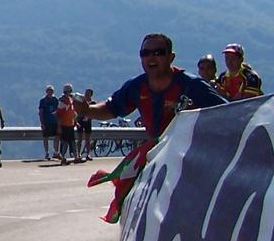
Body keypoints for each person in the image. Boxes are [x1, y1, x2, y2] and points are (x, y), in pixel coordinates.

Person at [76, 33, 226, 141]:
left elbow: (228, 113)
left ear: (171, 57)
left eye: (158, 53)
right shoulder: (136, 86)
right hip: (156, 153)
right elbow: (111, 108)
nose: (151, 57)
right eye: (145, 53)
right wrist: (87, 110)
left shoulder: (192, 85)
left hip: (190, 155)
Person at [56, 84, 79, 164]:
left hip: (70, 124)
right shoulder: (62, 101)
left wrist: (75, 121)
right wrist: (59, 126)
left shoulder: (70, 100)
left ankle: (76, 157)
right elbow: (58, 114)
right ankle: (63, 157)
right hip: (64, 124)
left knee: (72, 141)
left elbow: (72, 113)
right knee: (65, 142)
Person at [37, 85, 58, 160]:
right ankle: (47, 153)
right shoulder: (43, 100)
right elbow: (41, 112)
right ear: (46, 92)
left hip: (54, 121)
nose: (50, 92)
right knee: (46, 137)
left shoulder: (55, 100)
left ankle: (56, 152)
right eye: (49, 91)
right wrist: (42, 123)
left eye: (51, 91)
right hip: (46, 122)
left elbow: (58, 110)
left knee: (56, 137)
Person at [76, 88, 95, 161]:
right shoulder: (81, 101)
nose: (86, 94)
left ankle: (88, 154)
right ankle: (78, 153)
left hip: (88, 122)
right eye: (86, 93)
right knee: (79, 139)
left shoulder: (93, 103)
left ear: (91, 94)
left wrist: (90, 117)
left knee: (87, 139)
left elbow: (95, 112)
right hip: (80, 121)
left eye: (88, 93)